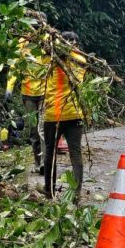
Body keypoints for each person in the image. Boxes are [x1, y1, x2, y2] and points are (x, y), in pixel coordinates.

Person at [42, 31, 87, 201]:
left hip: (55, 114)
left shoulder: (51, 59)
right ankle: (76, 193)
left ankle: (49, 191)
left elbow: (41, 60)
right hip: (75, 114)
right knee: (75, 152)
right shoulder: (81, 60)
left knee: (50, 152)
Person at [5, 35, 48, 175]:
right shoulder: (22, 44)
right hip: (28, 93)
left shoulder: (49, 41)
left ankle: (44, 164)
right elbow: (14, 66)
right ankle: (37, 162)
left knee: (43, 130)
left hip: (45, 92)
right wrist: (9, 87)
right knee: (34, 131)